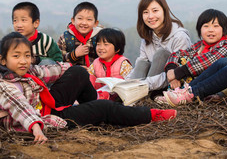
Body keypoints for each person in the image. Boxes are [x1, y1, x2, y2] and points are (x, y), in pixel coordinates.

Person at [0, 32, 177, 144]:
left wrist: (77, 69)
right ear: (3, 60)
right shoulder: (4, 86)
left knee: (79, 73)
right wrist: (36, 127)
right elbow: (20, 107)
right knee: (103, 107)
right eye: (16, 56)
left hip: (47, 105)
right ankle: (150, 115)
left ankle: (95, 111)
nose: (23, 61)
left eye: (27, 55)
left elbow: (49, 71)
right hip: (42, 118)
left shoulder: (29, 71)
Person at [157, 9, 227, 101]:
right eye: (206, 26)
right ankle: (173, 93)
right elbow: (178, 54)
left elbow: (208, 61)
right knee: (182, 58)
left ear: (224, 29)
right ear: (200, 30)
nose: (211, 30)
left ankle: (180, 95)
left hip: (213, 88)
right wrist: (171, 69)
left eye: (216, 26)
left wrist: (177, 73)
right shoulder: (200, 45)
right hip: (192, 85)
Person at [128, 0, 191, 94]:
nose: (150, 16)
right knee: (142, 63)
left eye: (155, 11)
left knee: (162, 54)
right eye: (145, 12)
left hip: (171, 86)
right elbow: (140, 66)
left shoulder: (180, 37)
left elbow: (177, 72)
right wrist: (124, 83)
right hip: (146, 84)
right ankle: (130, 94)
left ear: (164, 11)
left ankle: (144, 96)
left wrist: (144, 84)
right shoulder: (146, 38)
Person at [58, 2, 103, 67]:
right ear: (73, 20)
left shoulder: (101, 36)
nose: (84, 22)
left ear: (96, 23)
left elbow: (108, 57)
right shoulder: (65, 37)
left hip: (97, 74)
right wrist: (74, 54)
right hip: (72, 74)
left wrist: (92, 70)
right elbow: (59, 60)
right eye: (80, 18)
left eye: (89, 19)